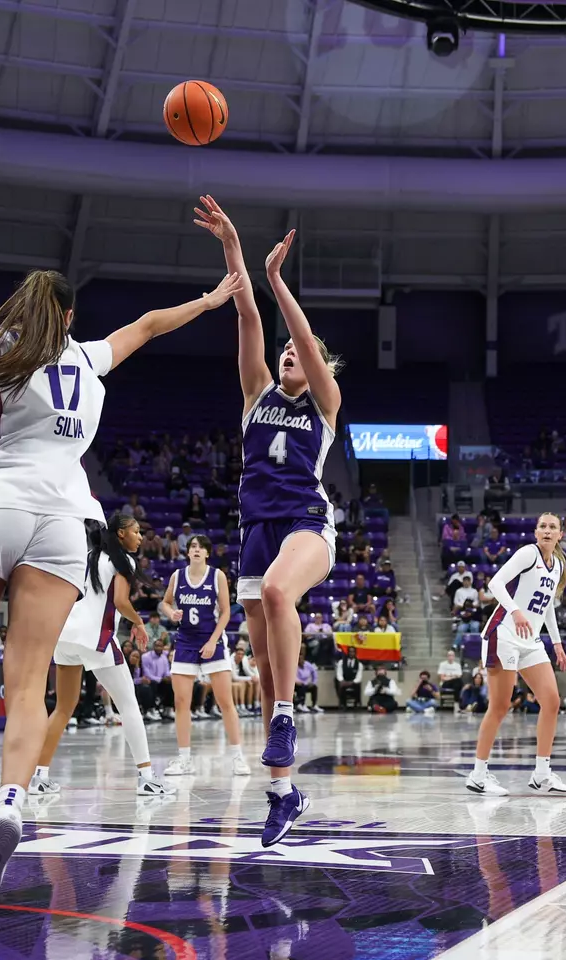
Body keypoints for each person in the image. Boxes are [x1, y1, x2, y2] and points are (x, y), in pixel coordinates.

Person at [0, 266, 242, 907]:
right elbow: (151, 326)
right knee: (28, 682)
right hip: (68, 522)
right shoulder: (89, 358)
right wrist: (213, 299)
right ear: (69, 317)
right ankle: (11, 805)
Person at [195, 194, 342, 846]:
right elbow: (246, 315)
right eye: (283, 351)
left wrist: (279, 278)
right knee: (262, 662)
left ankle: (286, 716)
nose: (288, 352)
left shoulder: (325, 404)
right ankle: (282, 791)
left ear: (316, 372)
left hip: (306, 522)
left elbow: (301, 336)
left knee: (282, 593)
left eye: (299, 354)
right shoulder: (255, 394)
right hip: (254, 528)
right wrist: (233, 249)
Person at [28, 514, 173, 797]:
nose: (140, 537)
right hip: (96, 638)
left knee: (63, 707)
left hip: (66, 634)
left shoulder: (90, 555)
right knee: (129, 705)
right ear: (120, 534)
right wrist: (140, 623)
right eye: (136, 531)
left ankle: (39, 777)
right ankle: (146, 777)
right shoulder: (123, 562)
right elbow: (120, 601)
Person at [466, 513, 566, 797]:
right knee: (500, 707)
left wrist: (558, 644)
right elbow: (495, 584)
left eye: (553, 527)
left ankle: (542, 774)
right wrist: (516, 611)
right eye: (543, 526)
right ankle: (478, 774)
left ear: (560, 534)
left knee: (551, 701)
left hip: (531, 640)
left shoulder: (559, 564)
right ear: (536, 532)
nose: (547, 531)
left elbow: (548, 606)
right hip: (505, 633)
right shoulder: (528, 553)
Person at [161, 534, 249, 776]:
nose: (196, 550)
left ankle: (238, 757)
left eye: (201, 547)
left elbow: (225, 612)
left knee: (225, 702)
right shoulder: (177, 576)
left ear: (208, 553)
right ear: (187, 552)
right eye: (192, 546)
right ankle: (184, 759)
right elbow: (165, 603)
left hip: (212, 640)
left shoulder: (217, 576)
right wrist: (171, 613)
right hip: (185, 642)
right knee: (181, 703)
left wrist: (212, 641)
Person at [295, 646, 322, 713]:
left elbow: (314, 673)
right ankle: (301, 704)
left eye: (301, 659)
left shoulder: (308, 665)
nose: (300, 661)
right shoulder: (295, 666)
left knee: (314, 687)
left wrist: (313, 682)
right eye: (298, 659)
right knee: (302, 686)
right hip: (297, 684)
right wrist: (299, 682)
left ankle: (314, 705)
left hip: (306, 684)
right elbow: (293, 676)